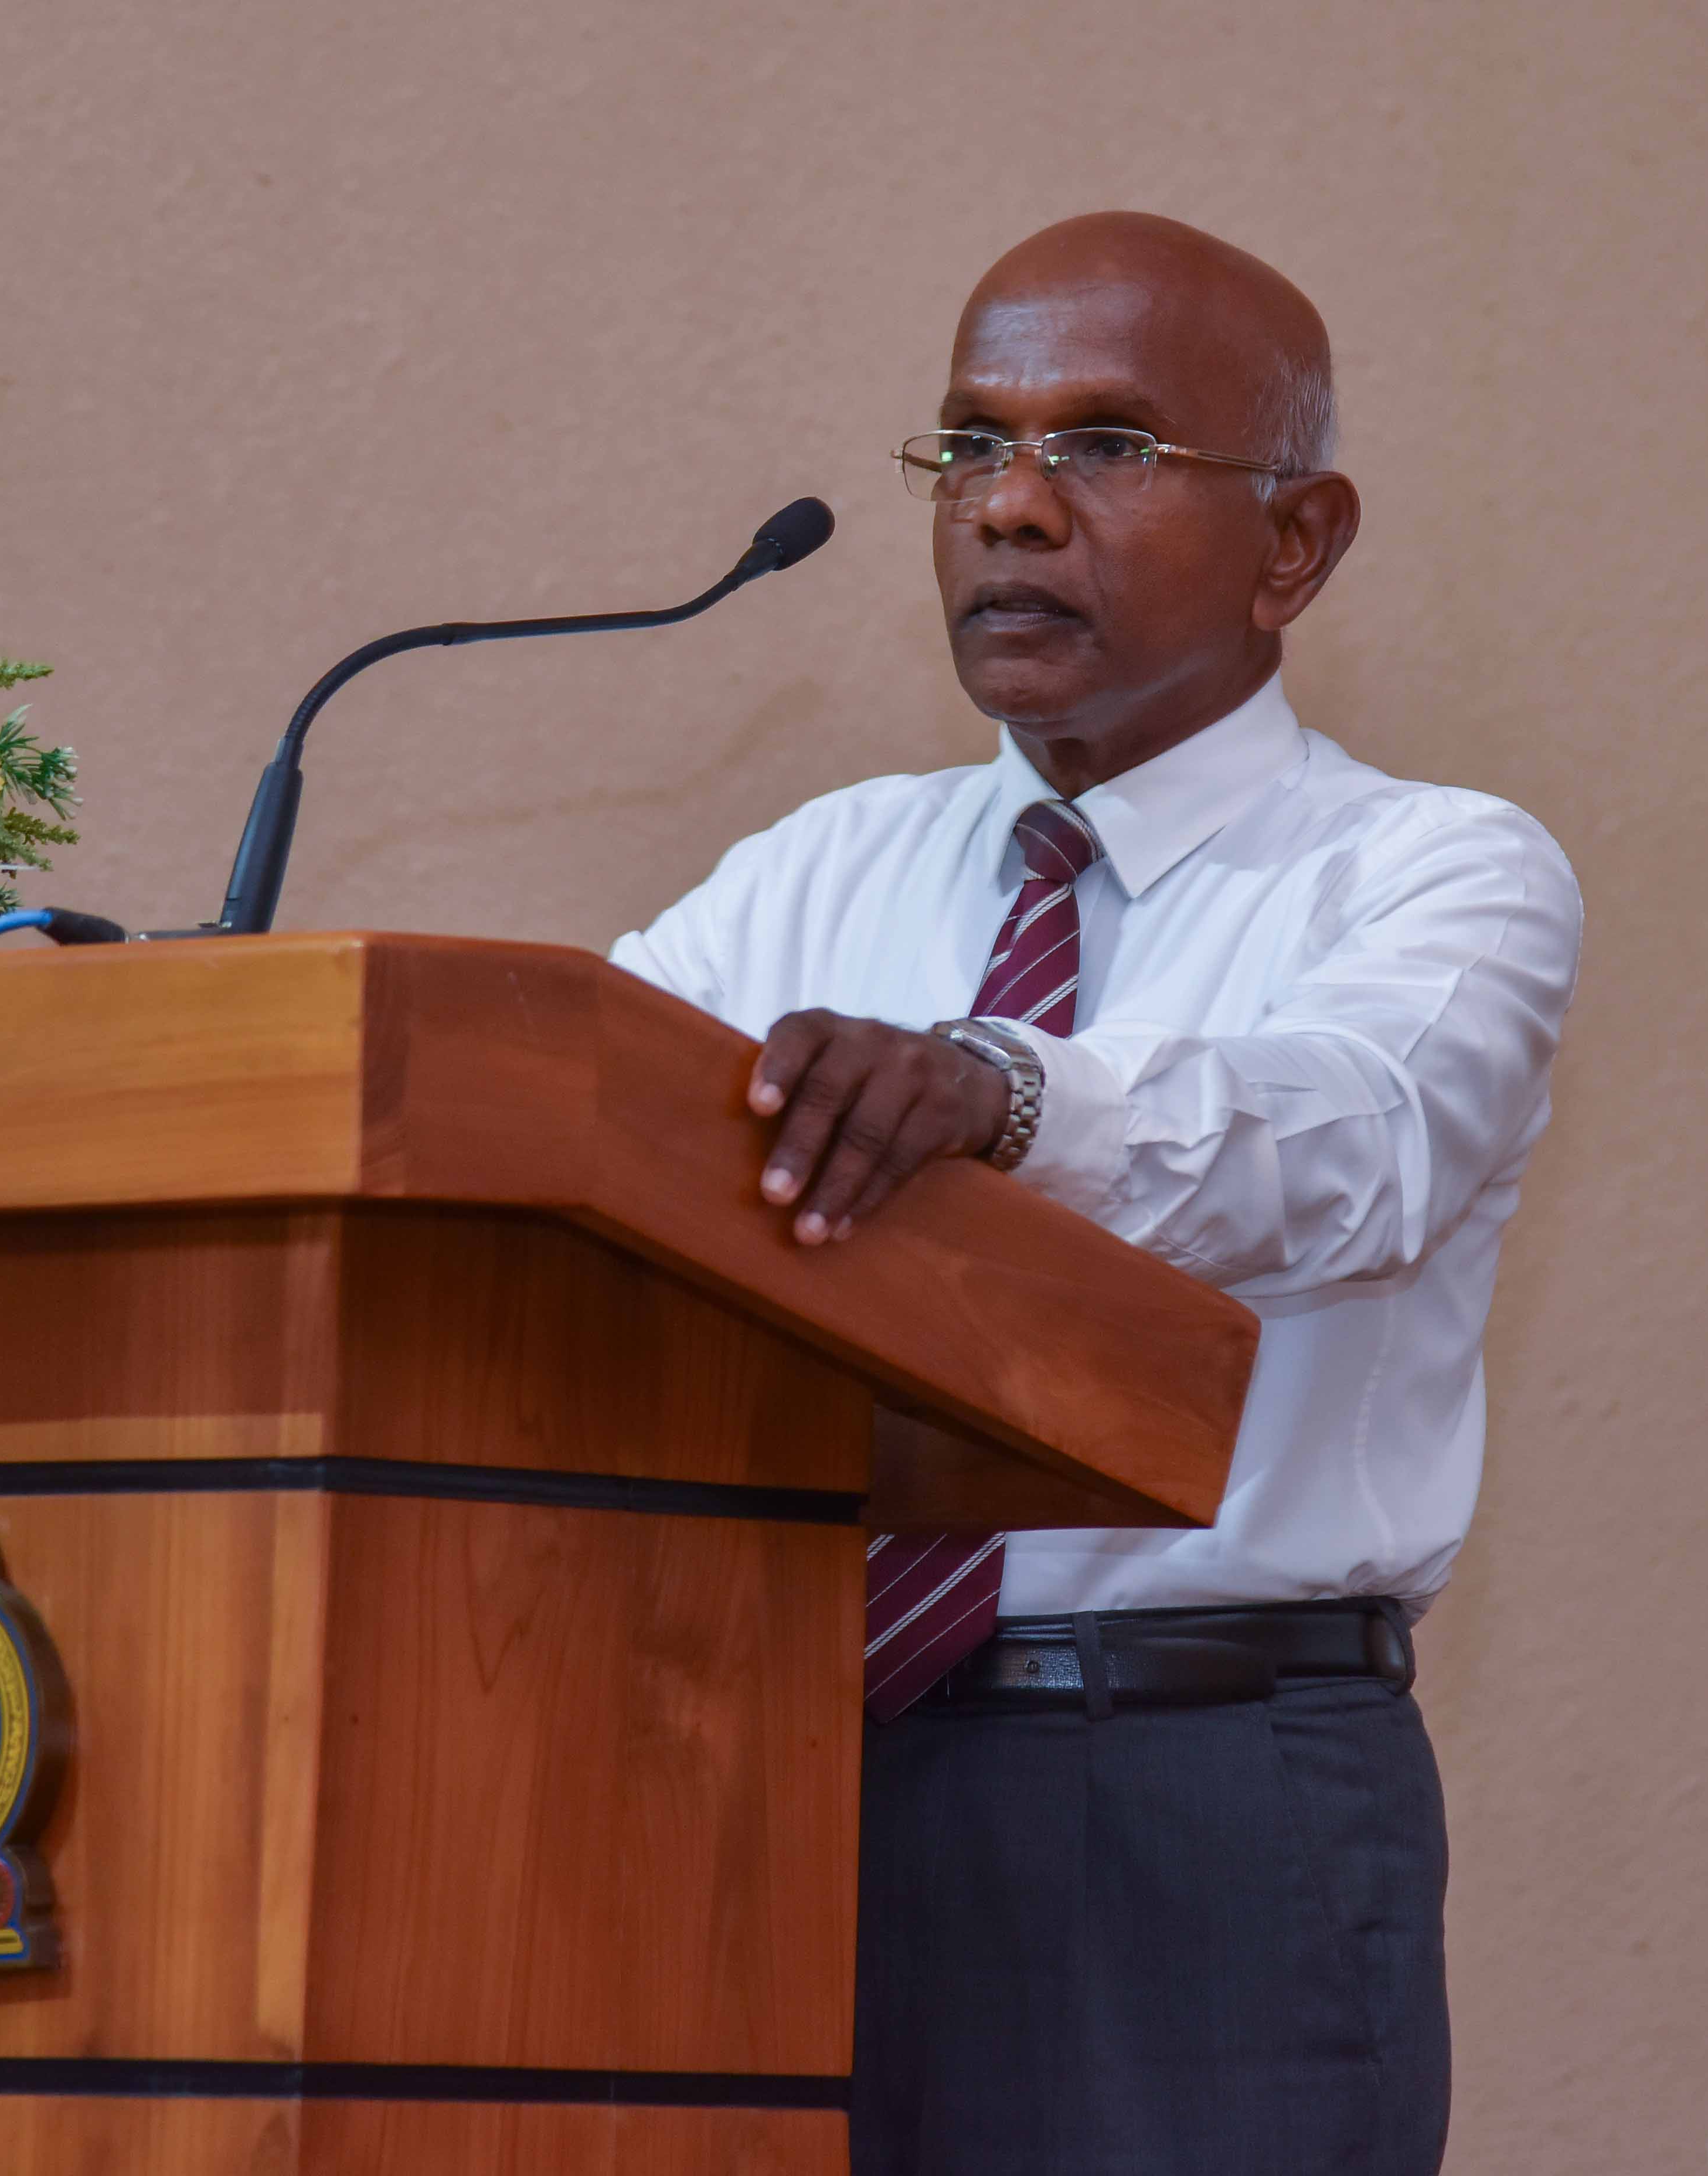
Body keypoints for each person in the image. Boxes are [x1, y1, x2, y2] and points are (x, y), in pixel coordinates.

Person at [608, 212, 1582, 2176]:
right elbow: (566, 1125)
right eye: (972, 446)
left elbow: (1348, 1141)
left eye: (1107, 446)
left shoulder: (1432, 872)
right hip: (769, 1770)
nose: (1013, 507)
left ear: (1296, 543)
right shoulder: (812, 873)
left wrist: (1001, 1092)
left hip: (1195, 1797)